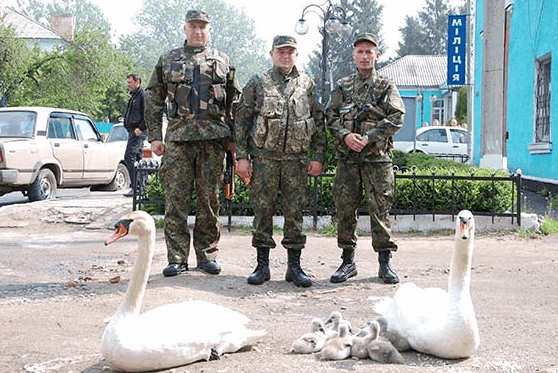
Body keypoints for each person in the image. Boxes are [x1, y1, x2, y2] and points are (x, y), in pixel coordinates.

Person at [144, 10, 240, 277]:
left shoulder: (223, 60)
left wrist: (234, 141)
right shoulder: (168, 59)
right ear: (185, 29)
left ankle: (207, 255)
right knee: (176, 201)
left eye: (203, 27)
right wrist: (154, 135)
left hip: (212, 140)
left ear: (209, 30)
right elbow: (153, 97)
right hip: (178, 140)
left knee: (209, 201)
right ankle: (177, 258)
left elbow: (235, 103)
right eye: (193, 26)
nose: (198, 31)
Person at [235, 35, 327, 287]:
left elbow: (318, 123)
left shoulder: (307, 84)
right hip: (264, 159)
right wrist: (241, 157)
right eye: (281, 52)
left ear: (296, 55)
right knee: (262, 211)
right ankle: (262, 266)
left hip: (296, 161)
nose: (286, 56)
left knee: (295, 213)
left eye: (290, 52)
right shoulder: (258, 83)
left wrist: (318, 156)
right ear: (272, 53)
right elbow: (242, 121)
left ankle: (294, 267)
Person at [326, 33, 405, 285]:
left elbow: (397, 118)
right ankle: (347, 262)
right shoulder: (342, 86)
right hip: (348, 159)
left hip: (377, 159)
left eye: (369, 52)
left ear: (377, 55)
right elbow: (330, 116)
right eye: (360, 51)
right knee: (345, 210)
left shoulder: (386, 86)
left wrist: (369, 136)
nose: (364, 56)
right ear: (353, 55)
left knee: (380, 209)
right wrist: (346, 135)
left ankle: (384, 264)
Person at [123, 72, 147, 197]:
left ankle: (137, 187)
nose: (128, 85)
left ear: (137, 82)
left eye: (130, 82)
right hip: (132, 131)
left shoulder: (143, 94)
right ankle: (141, 187)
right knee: (139, 160)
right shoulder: (134, 96)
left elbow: (148, 113)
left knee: (129, 156)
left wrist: (141, 127)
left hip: (138, 132)